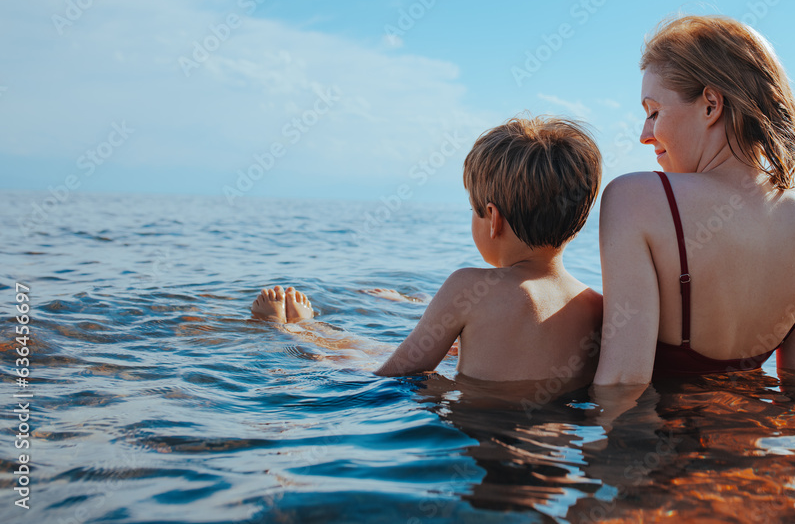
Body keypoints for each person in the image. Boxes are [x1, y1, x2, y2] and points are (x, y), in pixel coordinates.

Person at [251, 116, 604, 384]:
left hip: (477, 434)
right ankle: (313, 331)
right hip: (554, 450)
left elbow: (396, 373)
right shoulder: (595, 305)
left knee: (364, 362)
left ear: (493, 219)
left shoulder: (468, 287)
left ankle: (297, 334)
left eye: (474, 209)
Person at [593, 15, 795, 387]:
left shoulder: (635, 199)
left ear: (710, 105)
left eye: (653, 112)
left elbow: (622, 385)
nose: (644, 134)